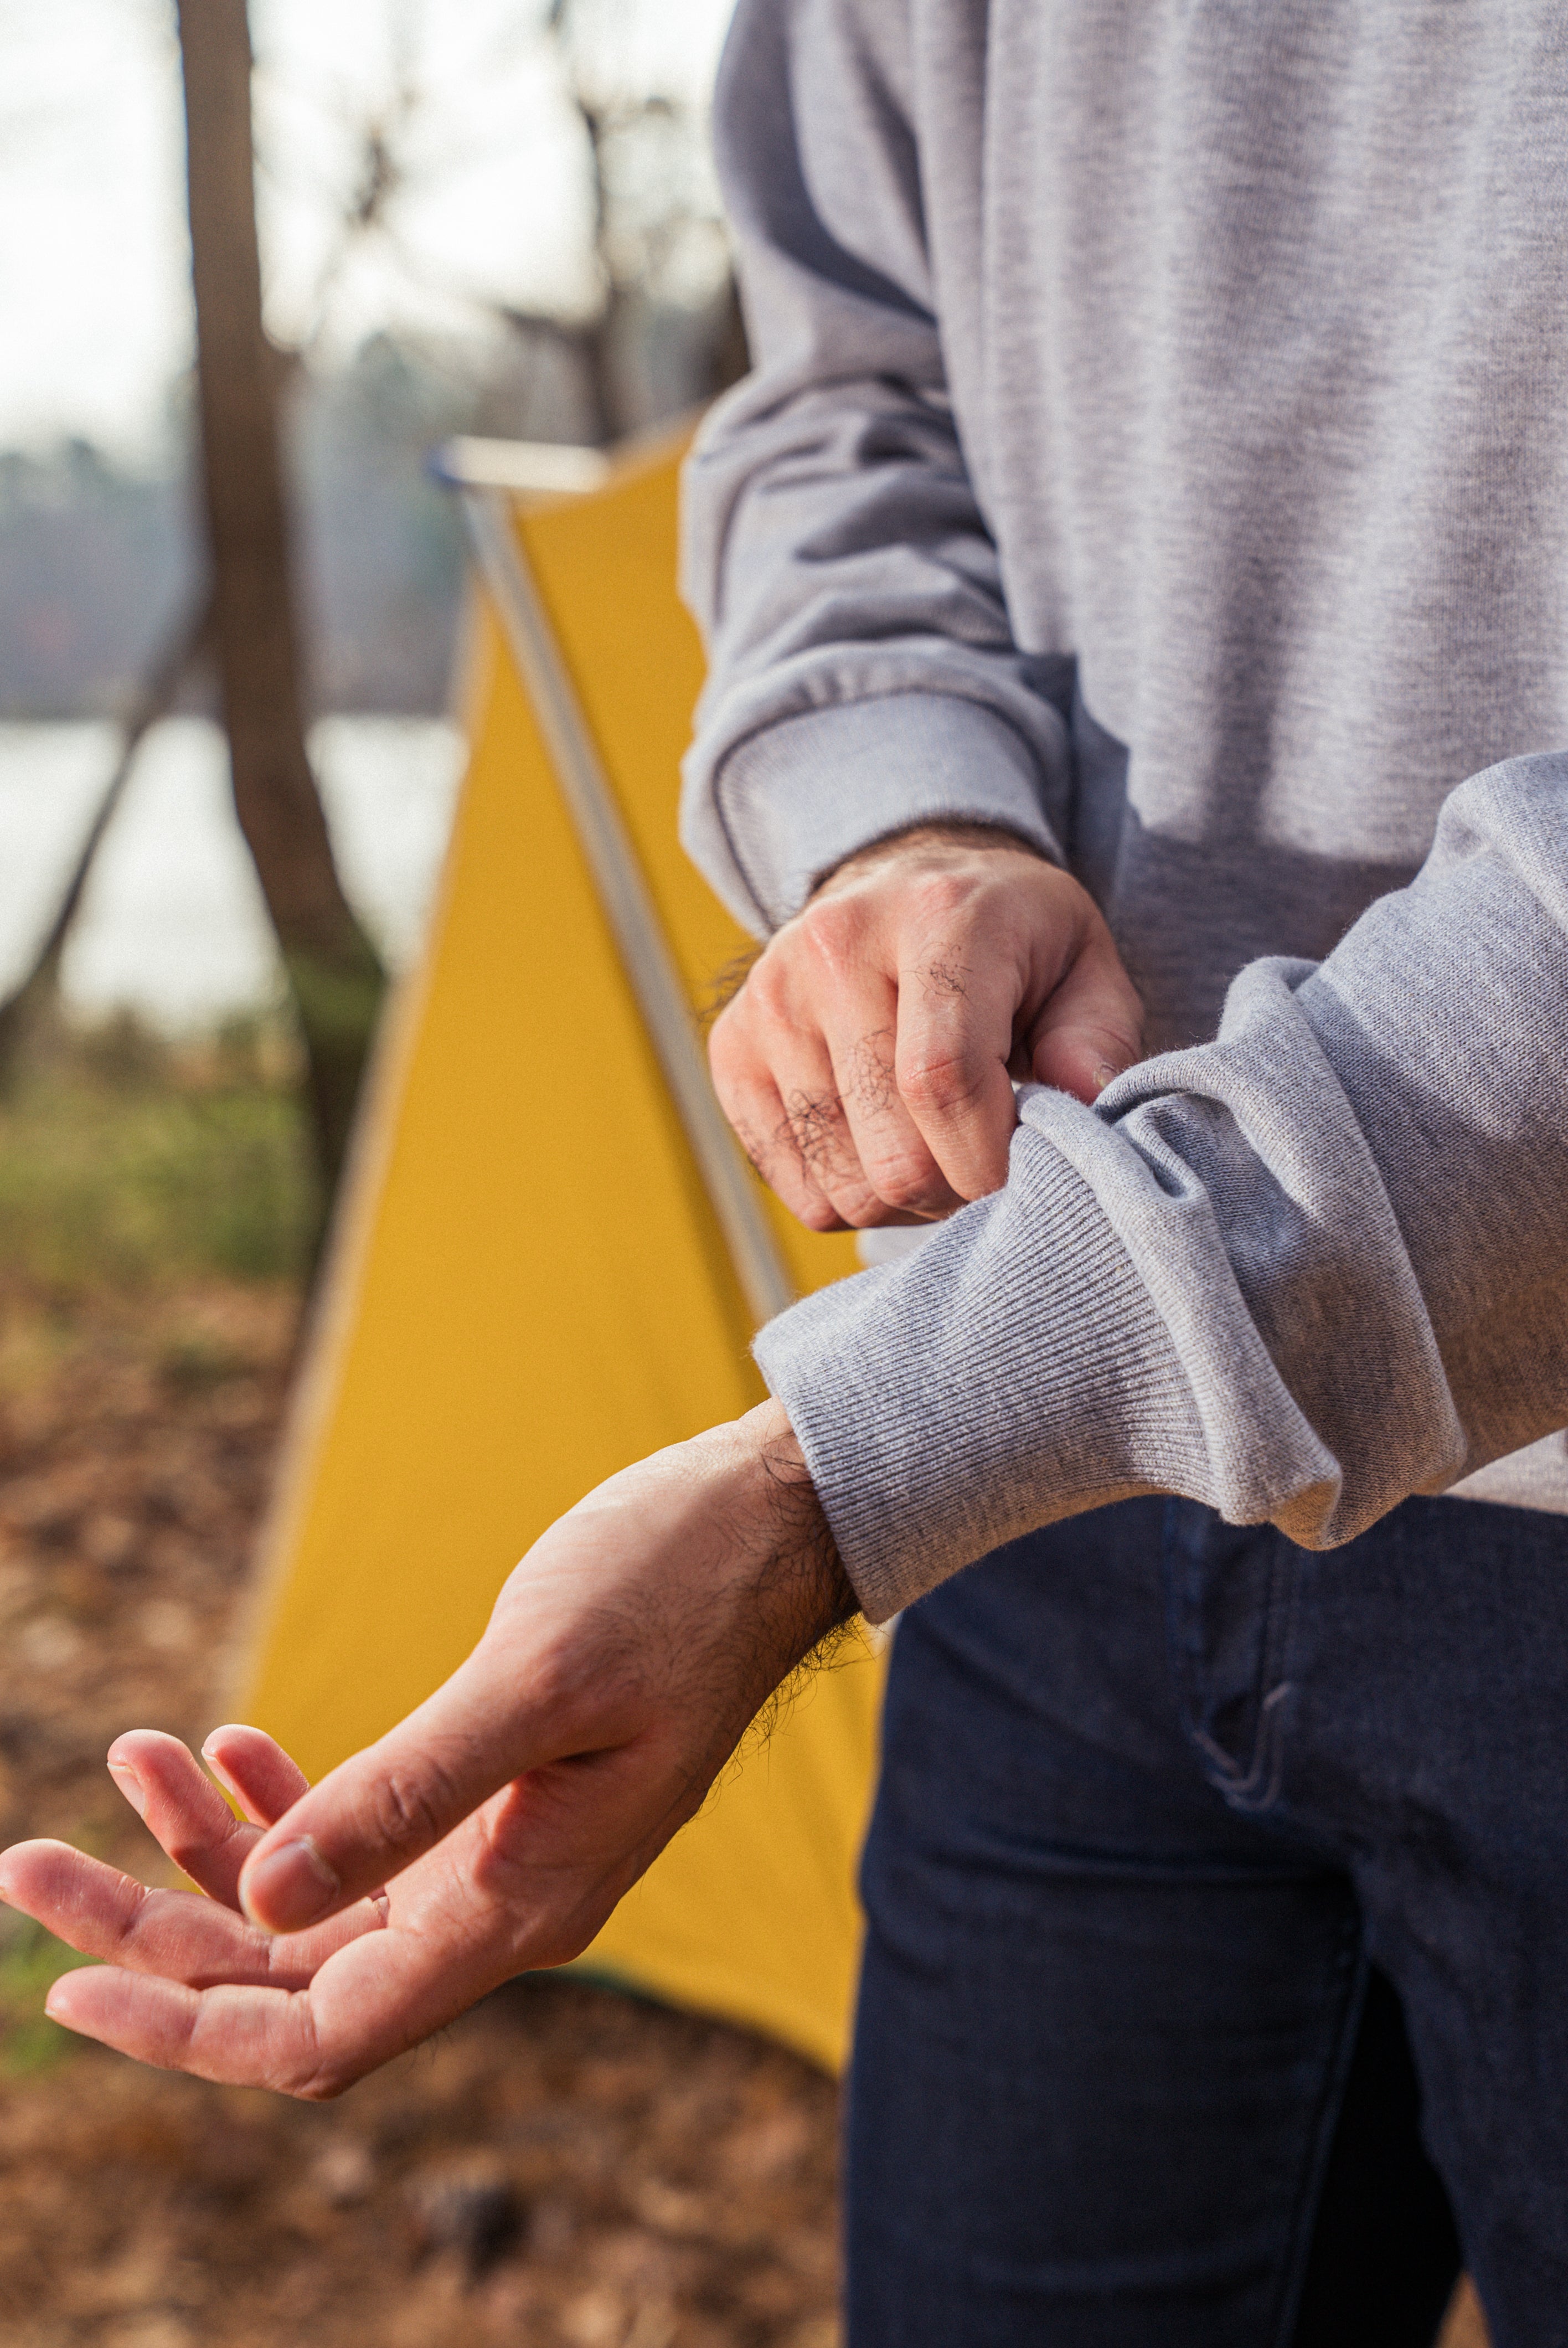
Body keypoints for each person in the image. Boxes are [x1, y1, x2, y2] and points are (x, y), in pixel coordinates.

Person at [6, 3, 1568, 2339]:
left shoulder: (881, 1452)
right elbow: (851, 386)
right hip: (1062, 1537)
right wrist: (909, 815)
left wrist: (833, 1479)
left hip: (1043, 1415)